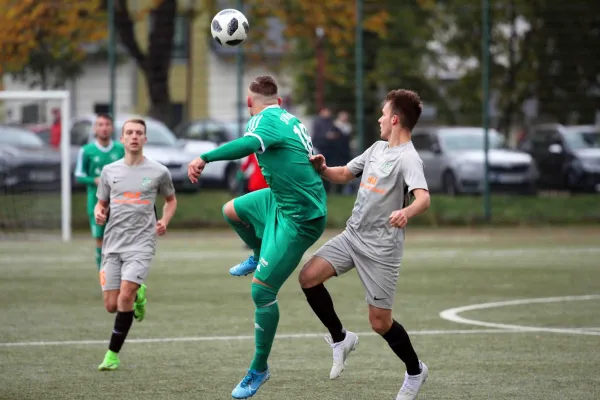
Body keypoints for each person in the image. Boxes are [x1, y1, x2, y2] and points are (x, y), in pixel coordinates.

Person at [187, 76, 327, 399]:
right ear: (279, 99)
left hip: (300, 218)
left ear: (250, 103)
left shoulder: (264, 119)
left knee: (262, 291)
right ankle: (258, 251)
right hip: (281, 200)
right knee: (231, 210)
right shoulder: (289, 118)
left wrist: (204, 158)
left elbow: (248, 145)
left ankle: (259, 369)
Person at [299, 89, 431, 400]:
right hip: (352, 236)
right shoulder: (375, 149)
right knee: (308, 277)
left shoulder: (409, 158)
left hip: (381, 250)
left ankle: (415, 370)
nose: (380, 119)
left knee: (379, 322)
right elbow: (344, 173)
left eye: (384, 114)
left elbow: (423, 199)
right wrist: (321, 169)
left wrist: (405, 211)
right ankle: (341, 338)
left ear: (395, 119)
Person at [94, 118, 177, 371]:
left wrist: (163, 220)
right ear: (122, 139)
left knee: (125, 296)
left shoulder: (159, 172)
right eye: (129, 132)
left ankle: (112, 354)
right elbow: (102, 203)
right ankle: (140, 293)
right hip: (112, 244)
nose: (133, 136)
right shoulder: (109, 171)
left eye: (138, 133)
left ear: (145, 139)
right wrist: (99, 211)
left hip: (142, 243)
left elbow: (171, 201)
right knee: (111, 305)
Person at [75, 114, 125, 271]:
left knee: (121, 240)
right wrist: (94, 180)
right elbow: (79, 175)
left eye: (107, 124)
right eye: (100, 124)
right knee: (100, 239)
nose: (104, 128)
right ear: (95, 129)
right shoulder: (86, 150)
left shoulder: (121, 149)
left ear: (112, 128)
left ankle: (122, 274)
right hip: (96, 201)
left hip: (120, 202)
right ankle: (103, 274)